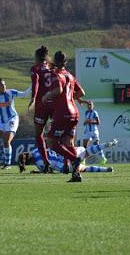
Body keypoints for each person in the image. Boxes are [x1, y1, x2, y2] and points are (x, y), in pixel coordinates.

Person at [42, 51, 85, 182]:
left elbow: (58, 90)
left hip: (62, 113)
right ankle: (76, 174)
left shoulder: (56, 74)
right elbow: (82, 92)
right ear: (66, 62)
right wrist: (71, 98)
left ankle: (74, 159)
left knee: (50, 141)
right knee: (68, 142)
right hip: (74, 113)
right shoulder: (70, 75)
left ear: (55, 60)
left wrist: (46, 96)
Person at [18, 139, 118, 174]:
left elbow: (49, 171)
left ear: (29, 162)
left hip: (65, 167)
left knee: (83, 168)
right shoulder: (36, 150)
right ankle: (105, 145)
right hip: (65, 157)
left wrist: (39, 172)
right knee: (86, 151)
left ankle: (106, 169)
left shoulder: (39, 163)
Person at [28, 46, 54, 173]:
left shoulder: (35, 68)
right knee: (60, 135)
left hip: (42, 105)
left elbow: (36, 83)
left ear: (37, 57)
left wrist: (33, 99)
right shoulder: (53, 66)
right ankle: (66, 161)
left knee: (39, 135)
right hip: (55, 104)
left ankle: (46, 162)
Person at [80, 100, 107, 165]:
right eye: (88, 105)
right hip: (87, 131)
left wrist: (90, 122)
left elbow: (98, 122)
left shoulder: (95, 112)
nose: (89, 106)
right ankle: (83, 160)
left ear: (93, 106)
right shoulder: (86, 112)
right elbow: (86, 121)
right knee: (84, 146)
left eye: (90, 105)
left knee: (96, 145)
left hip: (94, 131)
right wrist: (85, 123)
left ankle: (103, 159)